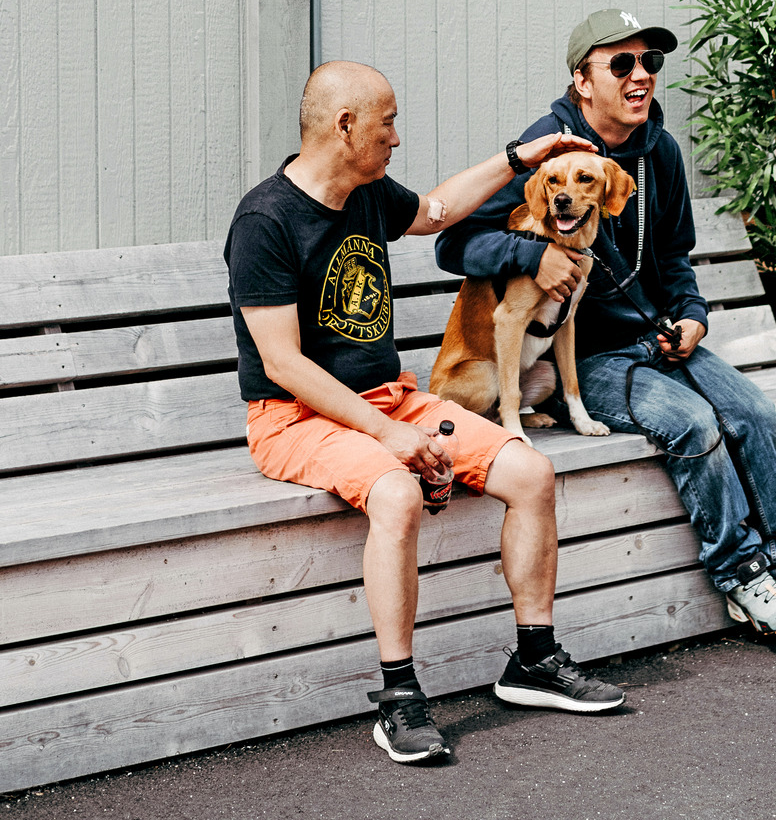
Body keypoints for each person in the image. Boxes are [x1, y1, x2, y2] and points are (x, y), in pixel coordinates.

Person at [224, 60, 624, 767]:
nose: (397, 138)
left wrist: (518, 159)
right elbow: (282, 364)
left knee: (529, 472)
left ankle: (533, 660)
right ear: (346, 127)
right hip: (292, 418)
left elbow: (438, 212)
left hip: (394, 397)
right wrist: (387, 435)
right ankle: (400, 697)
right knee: (397, 493)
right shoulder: (266, 219)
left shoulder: (369, 191)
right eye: (389, 123)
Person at [436, 8, 776, 644]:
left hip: (657, 336)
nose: (641, 76)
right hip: (586, 359)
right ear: (583, 81)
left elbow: (672, 257)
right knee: (693, 423)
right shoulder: (550, 150)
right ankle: (745, 578)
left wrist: (691, 315)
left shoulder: (660, 150)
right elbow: (455, 245)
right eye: (622, 64)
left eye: (650, 63)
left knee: (752, 411)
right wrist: (533, 254)